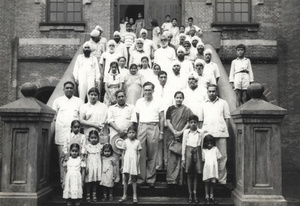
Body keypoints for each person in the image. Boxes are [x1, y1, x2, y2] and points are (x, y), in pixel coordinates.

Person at [52, 81, 83, 188]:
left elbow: (81, 117)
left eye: (71, 88)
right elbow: (53, 117)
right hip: (61, 133)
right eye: (67, 88)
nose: (69, 89)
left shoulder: (79, 101)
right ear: (64, 89)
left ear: (74, 90)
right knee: (63, 158)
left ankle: (74, 184)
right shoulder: (57, 101)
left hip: (75, 134)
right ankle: (64, 183)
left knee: (75, 157)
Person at [199, 84, 230, 185]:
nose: (211, 93)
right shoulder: (203, 104)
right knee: (208, 158)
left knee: (222, 157)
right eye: (210, 91)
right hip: (208, 134)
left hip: (220, 133)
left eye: (213, 91)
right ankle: (208, 179)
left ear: (216, 92)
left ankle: (221, 180)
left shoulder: (223, 103)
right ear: (207, 92)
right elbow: (200, 120)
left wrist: (226, 131)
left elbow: (227, 118)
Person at [135, 81, 164, 186]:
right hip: (142, 126)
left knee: (152, 154)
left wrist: (161, 132)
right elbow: (137, 118)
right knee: (141, 153)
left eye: (149, 90)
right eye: (145, 89)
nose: (147, 92)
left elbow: (161, 118)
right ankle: (141, 178)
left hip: (154, 126)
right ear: (143, 90)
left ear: (153, 90)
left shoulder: (158, 101)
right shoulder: (139, 102)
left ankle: (150, 179)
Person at [108, 89, 136, 183]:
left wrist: (125, 130)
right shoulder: (111, 108)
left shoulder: (131, 107)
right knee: (115, 157)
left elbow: (133, 121)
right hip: (115, 135)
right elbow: (110, 121)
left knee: (127, 156)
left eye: (122, 96)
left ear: (125, 97)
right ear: (116, 98)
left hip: (127, 135)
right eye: (119, 97)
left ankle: (126, 178)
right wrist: (118, 130)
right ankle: (117, 177)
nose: (121, 98)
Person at [165, 91, 193, 185]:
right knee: (172, 158)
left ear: (183, 99)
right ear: (174, 98)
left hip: (183, 136)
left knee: (181, 157)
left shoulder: (186, 110)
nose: (178, 99)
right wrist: (174, 132)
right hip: (171, 136)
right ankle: (171, 180)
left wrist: (181, 132)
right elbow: (168, 121)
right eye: (177, 97)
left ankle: (180, 180)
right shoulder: (170, 109)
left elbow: (190, 122)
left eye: (180, 97)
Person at [153, 71, 173, 170]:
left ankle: (167, 165)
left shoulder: (171, 89)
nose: (163, 79)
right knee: (158, 144)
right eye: (161, 77)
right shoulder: (155, 90)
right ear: (158, 78)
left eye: (165, 77)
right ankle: (159, 166)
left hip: (168, 122)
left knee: (167, 144)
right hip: (157, 121)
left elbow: (173, 106)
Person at [182, 115, 204, 203]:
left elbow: (202, 146)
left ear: (197, 123)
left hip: (197, 153)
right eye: (191, 122)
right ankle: (190, 193)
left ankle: (195, 193)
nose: (193, 124)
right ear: (189, 123)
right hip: (188, 153)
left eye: (195, 122)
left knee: (196, 174)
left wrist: (202, 157)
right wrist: (183, 158)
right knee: (189, 174)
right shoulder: (186, 132)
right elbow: (184, 145)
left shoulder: (201, 132)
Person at [119, 125, 142, 204]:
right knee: (125, 178)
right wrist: (122, 165)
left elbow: (139, 154)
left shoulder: (137, 142)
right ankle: (124, 195)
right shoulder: (125, 141)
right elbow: (122, 153)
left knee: (134, 179)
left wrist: (137, 163)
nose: (131, 134)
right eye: (129, 132)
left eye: (133, 132)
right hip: (127, 161)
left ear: (135, 133)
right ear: (127, 133)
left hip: (134, 161)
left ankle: (134, 195)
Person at [202, 134, 222, 205]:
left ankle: (212, 196)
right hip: (207, 169)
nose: (209, 145)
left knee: (212, 183)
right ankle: (206, 196)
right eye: (208, 143)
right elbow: (203, 160)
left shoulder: (215, 149)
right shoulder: (204, 150)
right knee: (207, 183)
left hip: (213, 170)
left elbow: (218, 158)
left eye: (211, 143)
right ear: (205, 143)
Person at [84, 130, 102, 203]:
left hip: (97, 165)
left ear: (98, 138)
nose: (94, 139)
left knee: (95, 180)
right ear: (89, 138)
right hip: (90, 165)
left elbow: (101, 157)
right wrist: (85, 166)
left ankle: (94, 194)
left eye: (95, 137)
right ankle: (88, 194)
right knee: (89, 181)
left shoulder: (100, 146)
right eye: (92, 138)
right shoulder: (87, 147)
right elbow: (85, 157)